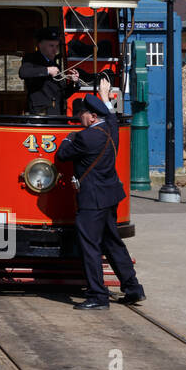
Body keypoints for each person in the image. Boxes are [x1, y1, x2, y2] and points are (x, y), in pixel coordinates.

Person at [56, 85, 144, 310]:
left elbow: (62, 154)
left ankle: (97, 295)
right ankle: (133, 287)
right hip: (110, 195)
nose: (79, 117)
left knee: (90, 246)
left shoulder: (85, 138)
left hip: (92, 200)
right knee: (113, 242)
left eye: (82, 114)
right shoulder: (111, 129)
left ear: (93, 116)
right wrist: (105, 97)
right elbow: (111, 116)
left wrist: (68, 137)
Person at [19, 27, 85, 115]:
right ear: (40, 45)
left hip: (58, 112)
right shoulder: (31, 59)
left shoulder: (55, 65)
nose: (55, 50)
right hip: (41, 114)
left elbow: (63, 93)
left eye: (57, 46)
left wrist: (74, 82)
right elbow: (23, 73)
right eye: (51, 46)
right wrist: (47, 70)